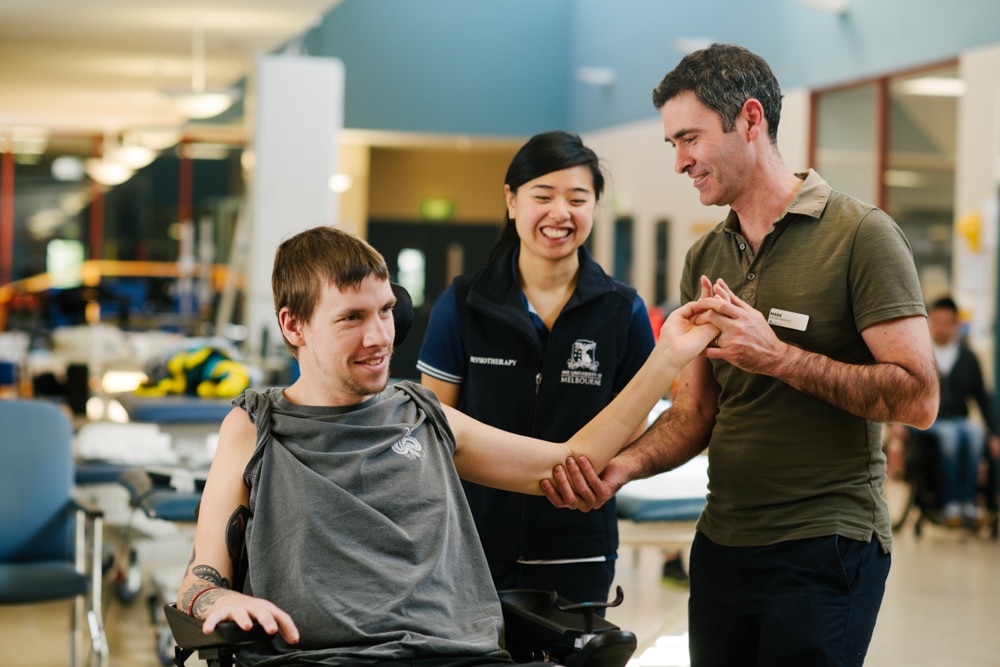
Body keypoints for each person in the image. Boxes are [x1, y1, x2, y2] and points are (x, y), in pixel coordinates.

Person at [541, 43, 940, 667]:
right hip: (723, 543)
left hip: (824, 546)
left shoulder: (862, 235)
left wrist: (778, 356)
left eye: (690, 138)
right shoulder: (706, 257)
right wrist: (624, 467)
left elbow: (919, 398)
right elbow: (695, 412)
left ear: (750, 120)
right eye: (673, 143)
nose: (679, 162)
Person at [175, 225, 720, 667]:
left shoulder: (424, 415)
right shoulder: (253, 426)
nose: (380, 337)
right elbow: (200, 582)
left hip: (458, 657)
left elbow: (569, 462)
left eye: (386, 311)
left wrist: (667, 358)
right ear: (293, 325)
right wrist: (222, 599)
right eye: (352, 319)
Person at [416, 130, 656, 606]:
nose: (559, 213)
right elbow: (434, 430)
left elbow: (636, 426)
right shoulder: (464, 304)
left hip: (578, 549)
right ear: (512, 201)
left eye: (577, 198)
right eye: (542, 196)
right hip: (472, 546)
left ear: (594, 207)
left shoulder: (622, 310)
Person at [906, 296, 999, 525]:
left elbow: (982, 398)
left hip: (958, 419)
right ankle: (949, 503)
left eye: (948, 322)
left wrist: (995, 433)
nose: (942, 328)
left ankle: (968, 502)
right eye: (937, 321)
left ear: (956, 325)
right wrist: (897, 425)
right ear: (930, 323)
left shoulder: (968, 359)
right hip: (926, 422)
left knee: (975, 434)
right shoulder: (920, 354)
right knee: (950, 437)